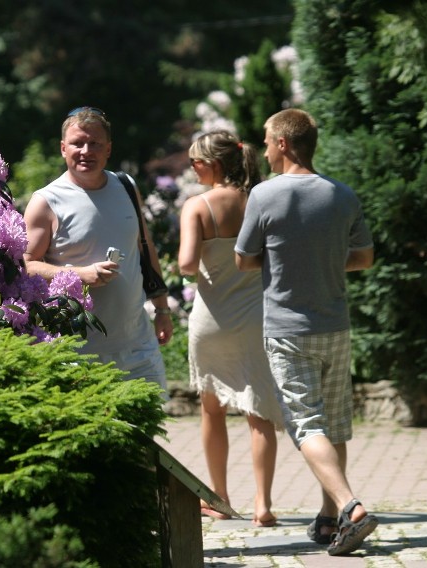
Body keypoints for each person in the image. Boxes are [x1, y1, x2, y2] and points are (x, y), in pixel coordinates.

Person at [234, 108, 378, 556]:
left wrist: (284, 260)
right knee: (335, 423)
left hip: (288, 328)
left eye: (265, 140)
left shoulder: (264, 195)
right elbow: (365, 257)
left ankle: (350, 507)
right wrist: (323, 260)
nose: (262, 148)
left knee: (305, 424)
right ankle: (328, 518)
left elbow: (243, 258)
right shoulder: (343, 195)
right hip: (335, 325)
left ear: (282, 144)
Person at [23, 106, 173, 398]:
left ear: (109, 149)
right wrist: (78, 275)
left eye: (95, 143)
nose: (86, 151)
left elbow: (145, 246)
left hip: (138, 344)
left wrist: (163, 309)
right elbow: (27, 264)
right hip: (79, 351)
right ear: (63, 148)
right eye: (78, 143)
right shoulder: (46, 201)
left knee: (147, 435)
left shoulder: (127, 186)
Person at [178, 130, 284, 527]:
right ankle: (264, 504)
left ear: (214, 164)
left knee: (212, 410)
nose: (192, 168)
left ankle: (220, 497)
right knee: (260, 412)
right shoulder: (262, 199)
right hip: (256, 316)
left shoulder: (197, 206)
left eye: (196, 162)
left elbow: (188, 265)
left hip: (212, 319)